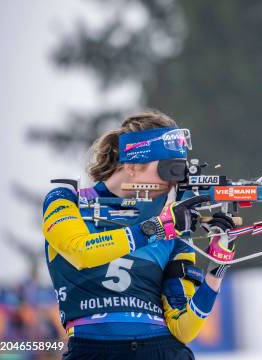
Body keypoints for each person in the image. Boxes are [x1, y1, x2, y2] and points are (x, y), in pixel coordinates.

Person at [42, 110, 236, 359]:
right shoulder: (67, 200)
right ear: (132, 166)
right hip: (92, 349)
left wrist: (217, 267)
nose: (172, 184)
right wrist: (157, 228)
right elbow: (81, 251)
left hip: (161, 349)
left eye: (180, 172)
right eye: (168, 170)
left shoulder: (172, 225)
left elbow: (183, 328)